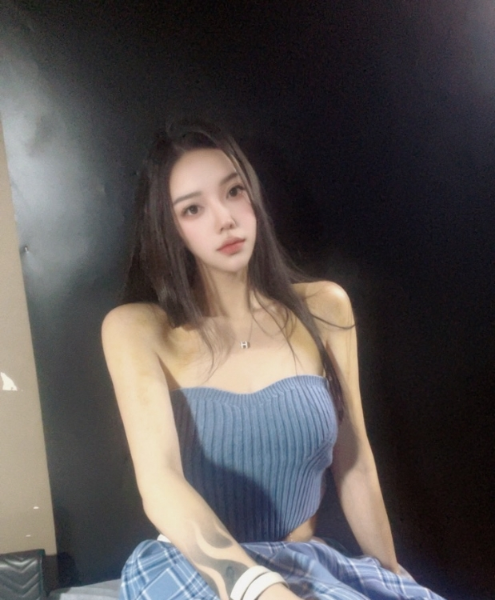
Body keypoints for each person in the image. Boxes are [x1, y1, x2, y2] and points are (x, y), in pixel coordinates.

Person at [102, 120, 445, 600]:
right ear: (171, 229)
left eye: (234, 192)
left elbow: (354, 462)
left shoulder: (324, 310)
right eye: (193, 209)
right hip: (196, 568)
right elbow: (160, 480)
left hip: (303, 563)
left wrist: (391, 577)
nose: (225, 218)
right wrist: (260, 590)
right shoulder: (137, 329)